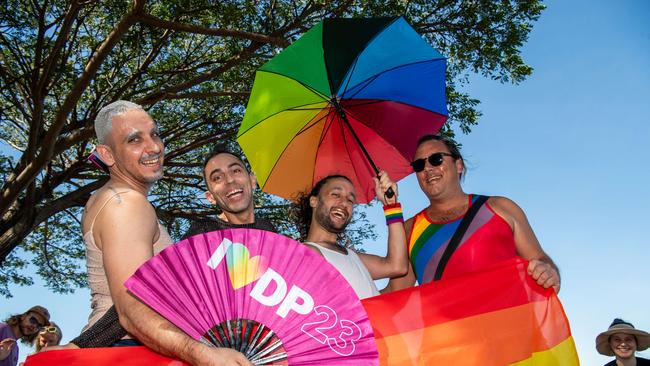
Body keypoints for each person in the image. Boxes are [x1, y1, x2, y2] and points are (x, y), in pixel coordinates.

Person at [54, 100, 251, 365]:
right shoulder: (127, 203)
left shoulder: (111, 199)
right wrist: (205, 355)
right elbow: (132, 313)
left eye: (155, 134)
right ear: (107, 154)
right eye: (135, 139)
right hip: (130, 350)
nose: (154, 147)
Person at [386, 134, 561, 292]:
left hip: (509, 325)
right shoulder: (408, 230)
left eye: (436, 159)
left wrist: (548, 271)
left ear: (459, 164)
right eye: (419, 165)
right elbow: (392, 296)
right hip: (444, 328)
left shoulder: (501, 208)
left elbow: (540, 258)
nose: (427, 168)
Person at [295, 172, 408, 299]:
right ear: (314, 201)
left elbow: (398, 266)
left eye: (350, 200)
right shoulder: (305, 254)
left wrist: (391, 206)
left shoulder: (351, 256)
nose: (344, 203)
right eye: (336, 194)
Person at [183, 145, 276, 238]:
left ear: (252, 180)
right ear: (211, 197)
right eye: (217, 178)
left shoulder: (268, 230)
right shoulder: (202, 233)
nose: (230, 180)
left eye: (236, 171)